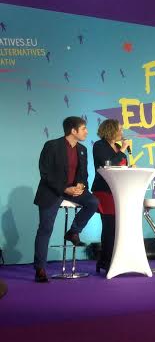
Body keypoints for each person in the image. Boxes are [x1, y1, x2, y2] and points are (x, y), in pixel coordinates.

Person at [33, 116, 99, 283]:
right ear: (73, 131)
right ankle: (40, 268)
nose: (86, 132)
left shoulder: (82, 149)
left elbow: (83, 174)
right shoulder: (52, 146)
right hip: (52, 190)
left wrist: (81, 186)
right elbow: (45, 173)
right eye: (83, 129)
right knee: (45, 228)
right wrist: (64, 188)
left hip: (73, 190)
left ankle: (73, 231)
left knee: (93, 202)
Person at [91, 119, 131, 273]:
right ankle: (106, 260)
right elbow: (107, 164)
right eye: (120, 129)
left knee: (118, 226)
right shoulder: (99, 146)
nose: (122, 132)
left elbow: (121, 166)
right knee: (109, 225)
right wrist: (123, 150)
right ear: (111, 130)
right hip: (105, 191)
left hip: (119, 191)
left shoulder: (118, 147)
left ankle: (113, 258)